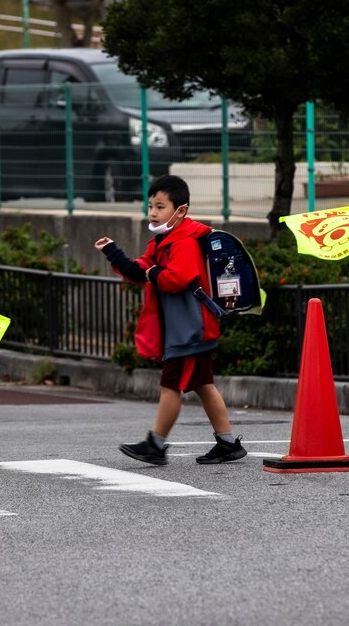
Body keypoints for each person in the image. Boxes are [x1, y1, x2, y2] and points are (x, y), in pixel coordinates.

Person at [94, 174, 247, 466]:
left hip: (190, 329)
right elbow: (140, 270)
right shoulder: (163, 242)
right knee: (203, 383)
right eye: (151, 205)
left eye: (160, 206)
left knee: (171, 385)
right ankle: (227, 443)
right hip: (188, 328)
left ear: (181, 210)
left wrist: (153, 273)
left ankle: (156, 444)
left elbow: (177, 278)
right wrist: (113, 251)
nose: (152, 212)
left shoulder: (185, 241)